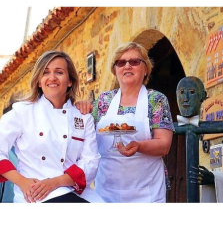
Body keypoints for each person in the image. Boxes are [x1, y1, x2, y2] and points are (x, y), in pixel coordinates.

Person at [0, 51, 103, 203]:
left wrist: (54, 183)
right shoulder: (22, 112)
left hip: (74, 190)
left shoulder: (83, 117)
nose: (52, 78)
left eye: (59, 72)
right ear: (39, 82)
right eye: (46, 72)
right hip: (35, 194)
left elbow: (90, 162)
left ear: (70, 81)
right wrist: (22, 182)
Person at [77, 42, 174, 203]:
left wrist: (139, 146)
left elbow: (164, 144)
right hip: (107, 191)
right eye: (121, 63)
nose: (127, 66)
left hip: (147, 192)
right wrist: (81, 107)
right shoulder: (103, 101)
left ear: (146, 69)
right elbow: (83, 134)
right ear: (115, 70)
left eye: (134, 62)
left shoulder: (156, 100)